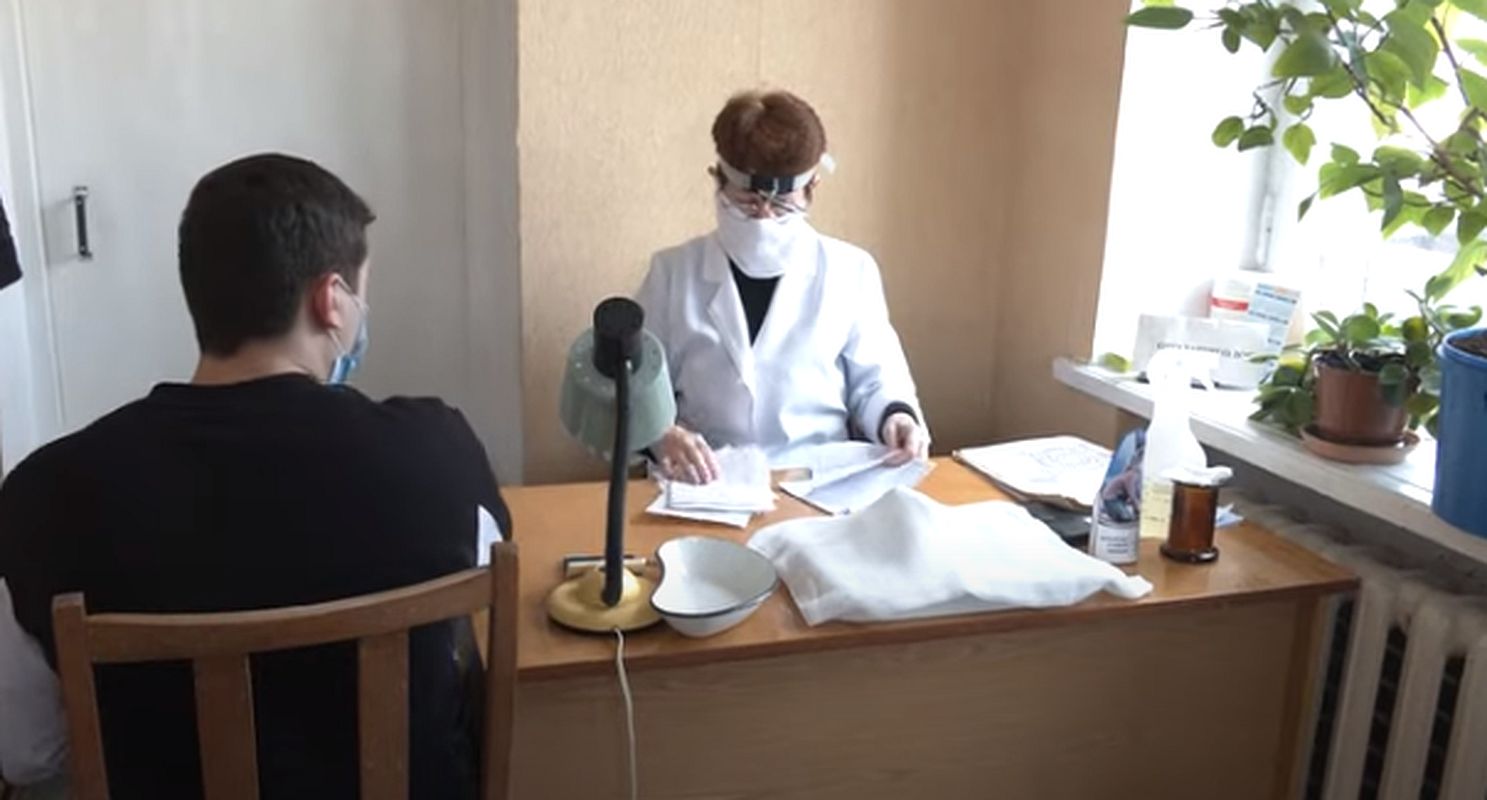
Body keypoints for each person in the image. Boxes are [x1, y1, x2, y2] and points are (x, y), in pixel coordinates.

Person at [0, 154, 510, 799]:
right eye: (361, 294)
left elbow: (25, 752)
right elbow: (484, 595)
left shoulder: (43, 496)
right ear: (330, 300)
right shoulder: (440, 450)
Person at [636, 89, 929, 483]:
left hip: (819, 482)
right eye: (746, 201)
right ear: (718, 181)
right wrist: (660, 436)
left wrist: (897, 417)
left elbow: (878, 379)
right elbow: (634, 391)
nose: (763, 217)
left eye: (781, 204)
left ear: (811, 189)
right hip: (707, 481)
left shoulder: (850, 271)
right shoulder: (673, 273)